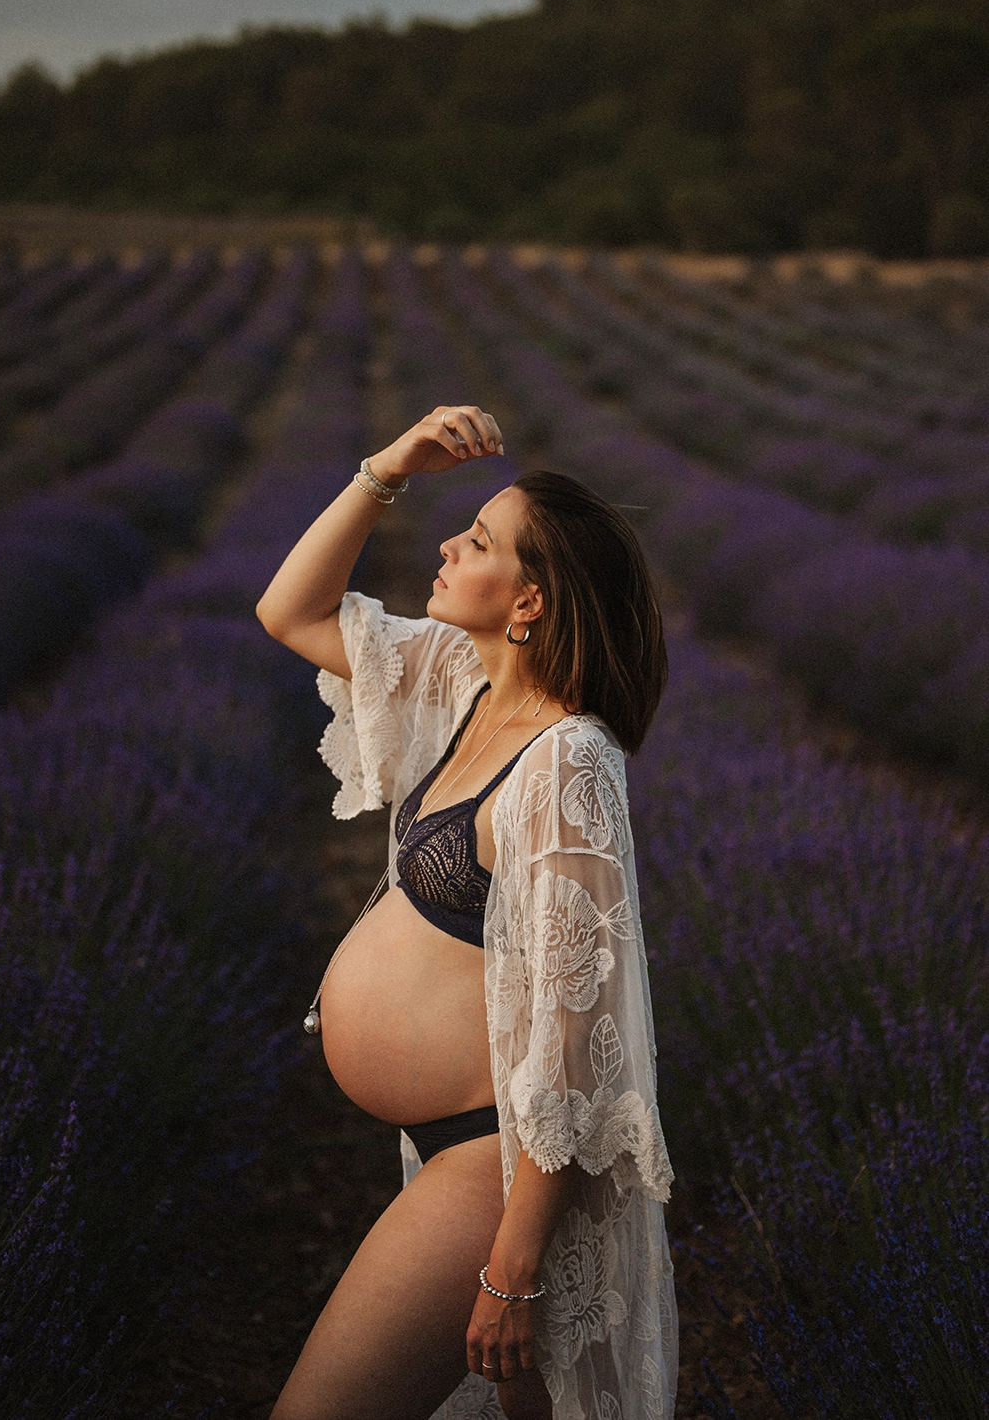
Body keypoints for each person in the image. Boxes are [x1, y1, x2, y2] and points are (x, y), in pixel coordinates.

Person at [256, 405, 677, 1420]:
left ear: (530, 602)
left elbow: (575, 1037)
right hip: (445, 1147)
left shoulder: (568, 762)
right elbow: (291, 613)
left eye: (479, 541)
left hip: (495, 1161)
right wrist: (388, 466)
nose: (446, 544)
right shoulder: (463, 684)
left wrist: (513, 1268)